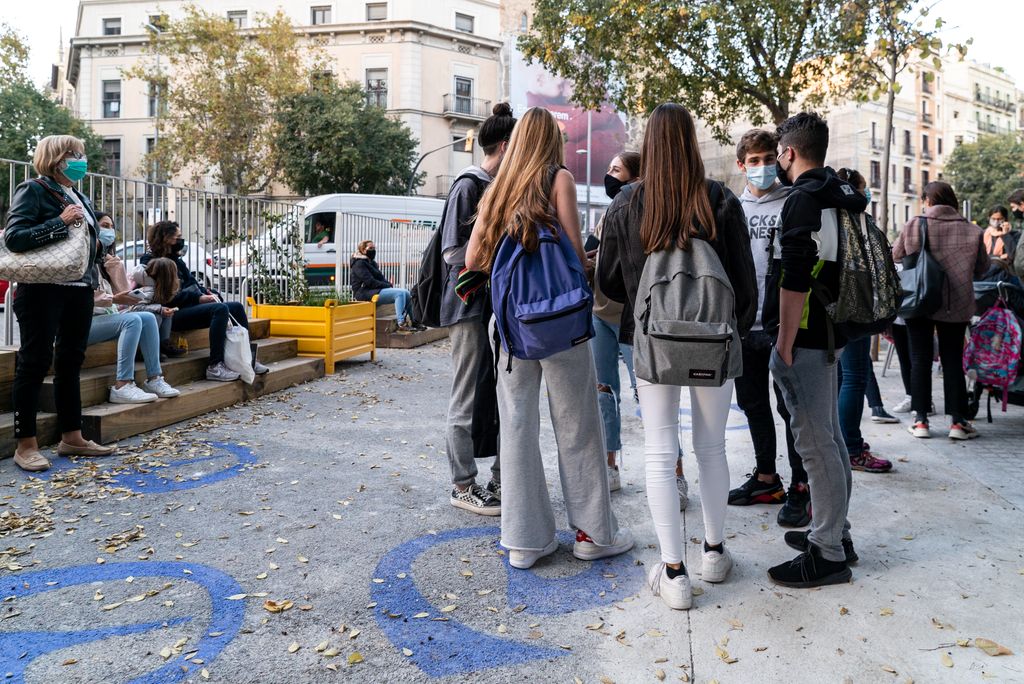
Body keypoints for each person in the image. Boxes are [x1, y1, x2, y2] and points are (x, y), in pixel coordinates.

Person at [600, 103, 756, 609]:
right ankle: (714, 552)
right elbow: (745, 286)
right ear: (691, 143)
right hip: (714, 337)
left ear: (649, 144)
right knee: (712, 447)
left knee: (661, 450)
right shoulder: (720, 200)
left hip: (652, 343)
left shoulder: (627, 203)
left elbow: (606, 282)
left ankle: (673, 574)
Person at [465, 106, 634, 570]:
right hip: (558, 323)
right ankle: (592, 534)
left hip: (510, 329)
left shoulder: (497, 188)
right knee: (577, 425)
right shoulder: (557, 178)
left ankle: (525, 541)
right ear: (551, 142)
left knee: (517, 427)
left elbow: (473, 258)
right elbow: (577, 256)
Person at [764, 112, 861, 588]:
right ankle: (835, 534)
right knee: (830, 438)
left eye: (779, 151)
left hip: (804, 337)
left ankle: (826, 553)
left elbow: (796, 273)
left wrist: (782, 341)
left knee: (816, 443)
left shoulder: (803, 200)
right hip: (830, 332)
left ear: (790, 152)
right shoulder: (839, 195)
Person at [4, 134, 115, 472]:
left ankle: (72, 437)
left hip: (79, 289)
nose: (80, 158)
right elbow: (15, 237)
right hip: (42, 290)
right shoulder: (34, 189)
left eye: (80, 153)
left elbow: (87, 244)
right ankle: (25, 445)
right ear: (54, 158)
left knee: (70, 362)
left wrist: (102, 237)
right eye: (72, 153)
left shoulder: (77, 194)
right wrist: (60, 223)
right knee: (34, 362)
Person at [725, 129, 811, 526]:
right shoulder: (731, 208)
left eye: (767, 159)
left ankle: (801, 487)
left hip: (783, 327)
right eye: (753, 161)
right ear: (741, 165)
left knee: (791, 409)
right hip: (745, 327)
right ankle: (766, 478)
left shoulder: (792, 202)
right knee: (754, 405)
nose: (761, 167)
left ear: (779, 160)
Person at [440, 102, 516, 515]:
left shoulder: (496, 187)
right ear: (504, 148)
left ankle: (497, 480)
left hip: (493, 305)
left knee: (496, 393)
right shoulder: (469, 185)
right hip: (467, 305)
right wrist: (492, 259)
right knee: (466, 392)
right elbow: (453, 252)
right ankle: (462, 484)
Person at [893, 181, 988, 440]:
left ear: (927, 201)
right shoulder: (973, 230)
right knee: (952, 360)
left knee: (920, 359)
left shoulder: (914, 224)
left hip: (921, 299)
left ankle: (921, 421)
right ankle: (958, 423)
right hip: (957, 303)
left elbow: (897, 255)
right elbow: (982, 269)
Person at [141, 221, 269, 382]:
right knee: (219, 310)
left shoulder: (176, 259)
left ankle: (249, 359)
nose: (181, 241)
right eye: (177, 237)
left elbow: (192, 284)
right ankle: (215, 365)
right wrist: (198, 298)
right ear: (165, 238)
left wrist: (209, 293)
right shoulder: (152, 261)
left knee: (235, 307)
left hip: (188, 307)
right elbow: (164, 296)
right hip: (170, 313)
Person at [828, 167, 894, 474]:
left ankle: (843, 440)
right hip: (855, 307)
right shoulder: (856, 222)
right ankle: (852, 448)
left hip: (829, 309)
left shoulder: (826, 218)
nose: (867, 195)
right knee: (855, 376)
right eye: (864, 189)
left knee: (840, 377)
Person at [87, 224, 180, 404]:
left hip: (104, 319)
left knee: (147, 317)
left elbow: (123, 292)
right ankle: (122, 384)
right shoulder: (82, 262)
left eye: (112, 227)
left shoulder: (104, 263)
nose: (110, 231)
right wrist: (113, 299)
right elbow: (85, 299)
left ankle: (154, 378)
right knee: (132, 320)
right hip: (82, 322)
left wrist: (114, 266)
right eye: (104, 226)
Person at [350, 240, 422, 332]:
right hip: (363, 292)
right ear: (363, 250)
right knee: (399, 294)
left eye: (374, 248)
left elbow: (380, 278)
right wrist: (386, 285)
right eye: (370, 248)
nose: (373, 250)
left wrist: (388, 284)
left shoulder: (371, 263)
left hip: (374, 290)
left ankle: (414, 321)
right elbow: (369, 282)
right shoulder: (359, 263)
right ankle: (401, 323)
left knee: (406, 293)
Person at [126, 256, 185, 355]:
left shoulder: (153, 287)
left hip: (139, 315)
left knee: (166, 315)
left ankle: (163, 345)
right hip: (128, 315)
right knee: (156, 317)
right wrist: (159, 309)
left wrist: (161, 309)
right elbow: (134, 308)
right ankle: (143, 350)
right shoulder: (148, 290)